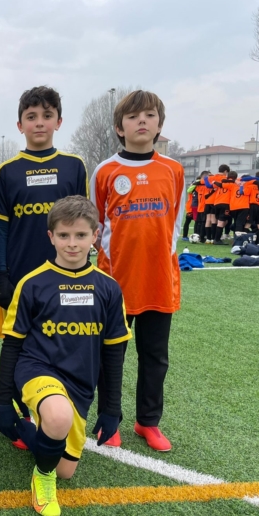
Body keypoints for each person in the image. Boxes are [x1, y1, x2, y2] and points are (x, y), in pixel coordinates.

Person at [0, 196, 130, 516]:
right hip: (37, 368)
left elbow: (114, 352)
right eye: (64, 235)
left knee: (65, 469)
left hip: (79, 382)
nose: (72, 243)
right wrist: (3, 401)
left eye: (81, 235)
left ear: (95, 235)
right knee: (57, 418)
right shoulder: (32, 283)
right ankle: (42, 478)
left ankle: (29, 424)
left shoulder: (108, 288)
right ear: (51, 237)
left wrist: (111, 408)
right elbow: (12, 345)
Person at [0, 85, 87, 448]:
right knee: (18, 347)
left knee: (59, 342)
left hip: (64, 278)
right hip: (20, 279)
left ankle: (55, 410)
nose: (39, 123)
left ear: (59, 121)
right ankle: (18, 414)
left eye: (47, 115)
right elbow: (0, 227)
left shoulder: (73, 166)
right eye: (31, 117)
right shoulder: (8, 171)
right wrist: (2, 273)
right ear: (20, 125)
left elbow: (82, 223)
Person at [90, 90, 184, 451]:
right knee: (110, 354)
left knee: (155, 356)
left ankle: (148, 422)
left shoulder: (173, 170)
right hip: (115, 283)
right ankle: (109, 419)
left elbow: (176, 224)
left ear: (159, 124)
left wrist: (162, 259)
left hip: (159, 280)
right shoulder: (105, 171)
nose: (141, 121)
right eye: (132, 116)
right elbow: (98, 224)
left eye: (149, 115)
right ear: (120, 127)